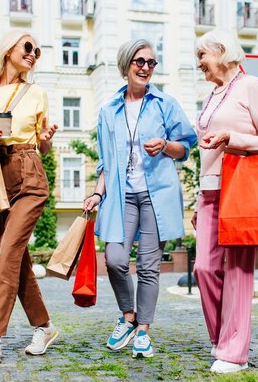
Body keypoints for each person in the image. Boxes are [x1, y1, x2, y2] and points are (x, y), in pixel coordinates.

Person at [83, 39, 197, 358]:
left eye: (151, 62)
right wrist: (96, 193)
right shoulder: (108, 111)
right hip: (121, 197)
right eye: (139, 61)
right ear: (126, 65)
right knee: (115, 260)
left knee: (148, 267)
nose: (145, 67)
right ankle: (128, 316)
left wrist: (165, 145)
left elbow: (187, 146)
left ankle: (143, 329)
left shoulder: (165, 103)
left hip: (155, 195)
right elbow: (105, 161)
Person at [0, 30, 59, 368]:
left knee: (8, 253)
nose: (34, 54)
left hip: (30, 172)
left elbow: (43, 147)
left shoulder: (36, 93)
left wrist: (46, 139)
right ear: (8, 49)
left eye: (38, 51)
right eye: (28, 47)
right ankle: (44, 327)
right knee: (18, 261)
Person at [191, 29, 258, 374]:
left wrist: (235, 138)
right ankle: (221, 339)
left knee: (239, 274)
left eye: (202, 55)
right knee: (203, 269)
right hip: (210, 192)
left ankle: (233, 353)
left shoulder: (252, 87)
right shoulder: (213, 95)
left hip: (240, 189)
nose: (198, 63)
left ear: (224, 51)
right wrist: (199, 197)